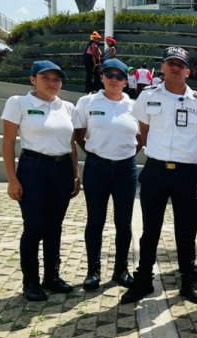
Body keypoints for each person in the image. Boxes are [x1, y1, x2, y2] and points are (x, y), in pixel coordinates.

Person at [120, 47, 197, 305]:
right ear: (163, 67)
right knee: (150, 230)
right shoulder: (148, 96)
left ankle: (188, 281)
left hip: (186, 173)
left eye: (180, 64)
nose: (175, 68)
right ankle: (143, 281)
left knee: (186, 230)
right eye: (170, 63)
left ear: (187, 70)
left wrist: (189, 154)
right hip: (156, 170)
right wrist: (160, 152)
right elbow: (144, 130)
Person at [1, 61, 79, 302]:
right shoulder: (19, 103)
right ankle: (31, 282)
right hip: (33, 168)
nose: (53, 83)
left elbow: (72, 143)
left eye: (57, 79)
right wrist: (12, 179)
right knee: (34, 227)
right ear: (33, 80)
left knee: (55, 227)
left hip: (62, 169)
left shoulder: (67, 107)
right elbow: (8, 142)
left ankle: (52, 278)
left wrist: (75, 173)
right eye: (46, 78)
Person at [72, 58, 140, 291]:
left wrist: (126, 152)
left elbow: (141, 139)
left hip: (125, 169)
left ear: (125, 81)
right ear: (101, 77)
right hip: (97, 167)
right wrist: (96, 151)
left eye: (119, 76)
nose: (114, 80)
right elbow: (79, 134)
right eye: (109, 75)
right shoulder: (87, 101)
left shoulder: (134, 106)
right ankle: (93, 271)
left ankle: (121, 269)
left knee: (124, 223)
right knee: (95, 221)